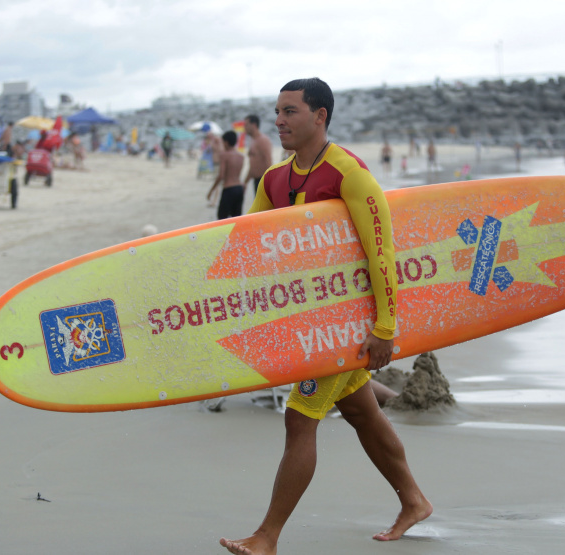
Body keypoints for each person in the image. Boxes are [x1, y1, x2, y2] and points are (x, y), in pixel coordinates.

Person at [219, 78, 432, 555]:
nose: (279, 120)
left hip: (349, 326)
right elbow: (243, 244)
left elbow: (382, 253)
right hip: (312, 323)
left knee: (300, 417)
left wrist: (384, 328)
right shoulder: (274, 179)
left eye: (291, 111)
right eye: (277, 111)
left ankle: (267, 537)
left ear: (320, 116)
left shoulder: (348, 174)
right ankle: (414, 500)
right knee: (361, 412)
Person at [206, 130, 245, 219]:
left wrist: (211, 190)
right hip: (239, 188)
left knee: (222, 218)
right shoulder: (241, 156)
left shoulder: (224, 155)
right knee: (237, 220)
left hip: (229, 188)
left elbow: (221, 175)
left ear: (226, 143)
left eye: (223, 142)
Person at [243, 114, 273, 194]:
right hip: (256, 181)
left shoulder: (262, 140)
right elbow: (253, 164)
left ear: (254, 125)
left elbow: (268, 161)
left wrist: (268, 183)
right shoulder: (253, 140)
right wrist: (245, 181)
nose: (244, 128)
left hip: (263, 181)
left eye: (246, 125)